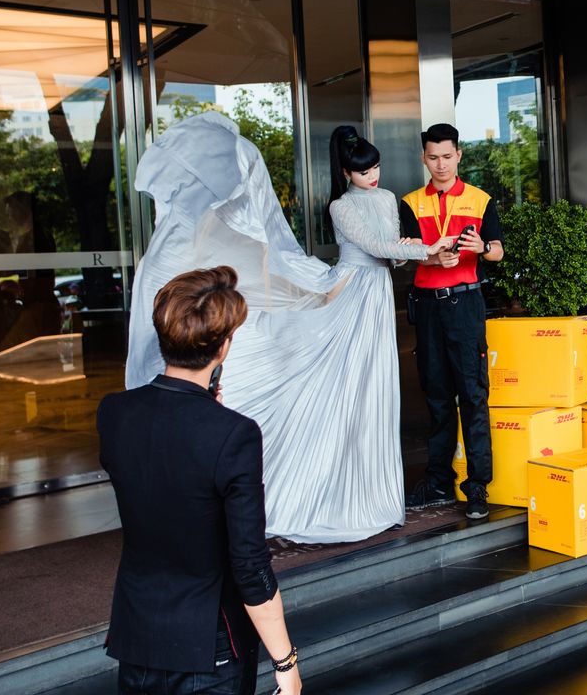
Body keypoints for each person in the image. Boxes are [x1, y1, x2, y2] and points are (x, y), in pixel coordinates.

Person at [124, 113, 452, 543]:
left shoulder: (387, 198)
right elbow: (372, 246)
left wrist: (412, 250)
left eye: (376, 168)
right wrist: (427, 248)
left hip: (376, 294)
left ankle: (376, 495)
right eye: (363, 171)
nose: (373, 177)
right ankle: (318, 492)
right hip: (349, 291)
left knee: (374, 386)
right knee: (344, 385)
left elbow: (391, 254)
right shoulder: (340, 206)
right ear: (346, 174)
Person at [98, 266, 301, 695]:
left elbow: (163, 472)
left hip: (137, 638)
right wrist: (286, 662)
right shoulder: (234, 434)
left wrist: (203, 411)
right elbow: (250, 565)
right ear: (222, 347)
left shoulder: (113, 414)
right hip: (209, 649)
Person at [400, 123, 505, 521]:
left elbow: (498, 250)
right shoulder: (411, 203)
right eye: (433, 157)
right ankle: (438, 481)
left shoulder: (480, 199)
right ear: (424, 158)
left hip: (465, 304)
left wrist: (482, 246)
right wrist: (432, 257)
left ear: (459, 155)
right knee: (437, 395)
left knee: (473, 395)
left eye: (447, 156)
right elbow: (408, 252)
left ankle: (477, 486)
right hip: (428, 307)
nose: (441, 164)